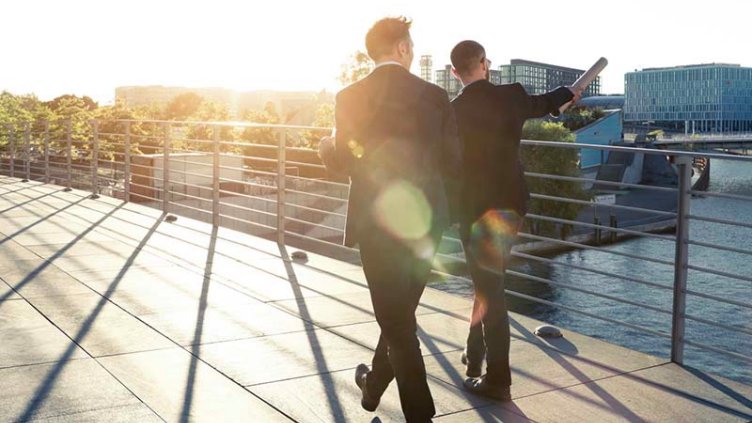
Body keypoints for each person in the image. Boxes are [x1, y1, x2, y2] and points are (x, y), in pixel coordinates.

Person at [318, 17, 462, 422]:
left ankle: (420, 415)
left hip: (376, 223)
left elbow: (344, 161)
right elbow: (453, 162)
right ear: (400, 48)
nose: (413, 51)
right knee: (399, 317)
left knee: (397, 322)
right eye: (411, 45)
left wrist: (326, 147)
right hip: (425, 223)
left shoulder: (349, 97)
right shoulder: (435, 96)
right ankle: (373, 387)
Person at [448, 40, 582, 401]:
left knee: (489, 289)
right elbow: (545, 103)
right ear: (485, 64)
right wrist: (570, 92)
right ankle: (474, 358)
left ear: (454, 72)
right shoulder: (511, 96)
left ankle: (498, 381)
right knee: (489, 283)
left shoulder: (452, 111)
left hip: (474, 210)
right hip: (510, 205)